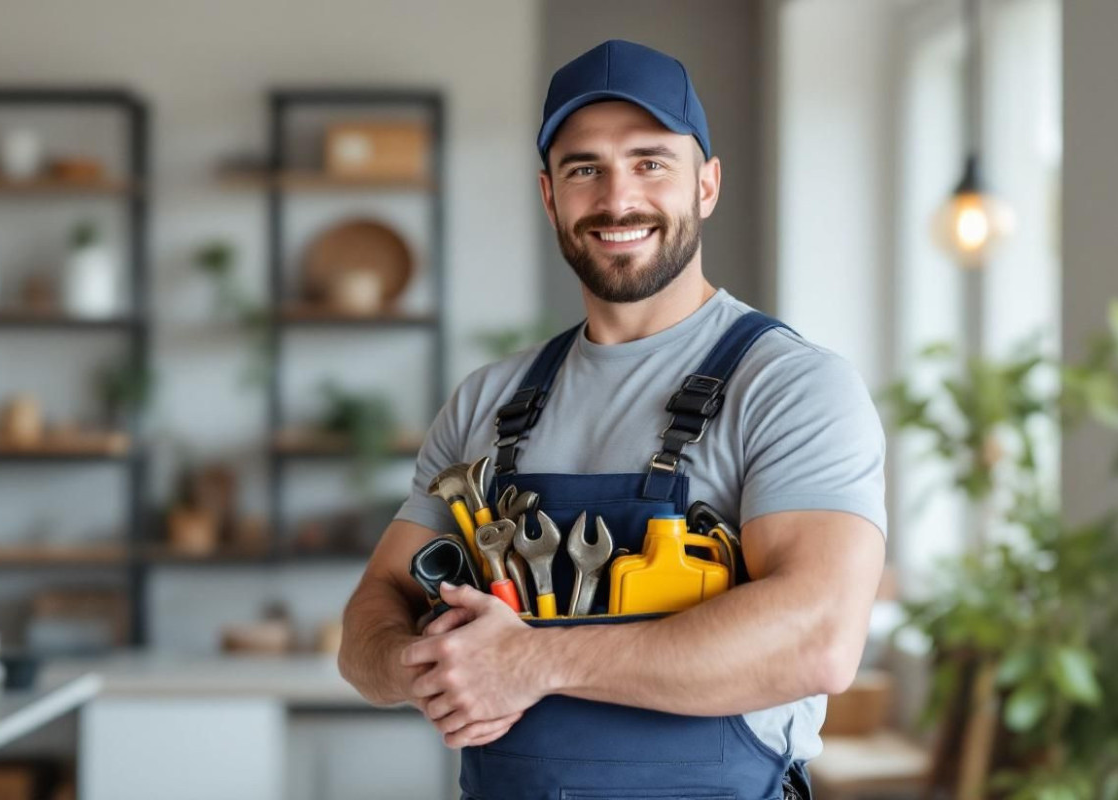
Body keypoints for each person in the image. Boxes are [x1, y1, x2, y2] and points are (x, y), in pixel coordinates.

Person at [337, 39, 886, 800]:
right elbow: (373, 611)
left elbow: (819, 639)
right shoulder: (489, 402)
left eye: (650, 162)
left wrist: (534, 660)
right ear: (549, 195)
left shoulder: (791, 387)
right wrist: (419, 665)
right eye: (584, 168)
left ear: (707, 185)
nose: (617, 198)